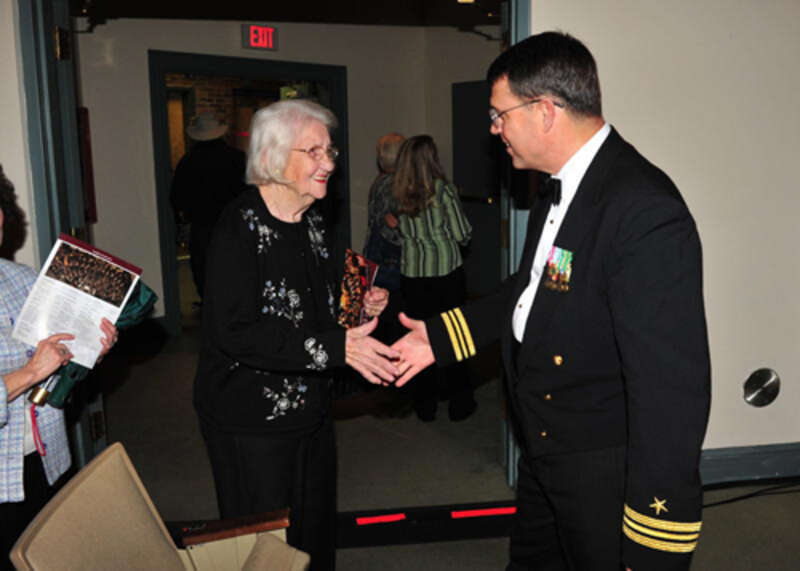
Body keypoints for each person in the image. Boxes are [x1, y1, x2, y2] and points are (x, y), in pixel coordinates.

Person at [391, 32, 711, 570]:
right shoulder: (559, 186)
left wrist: (656, 538)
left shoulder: (644, 211)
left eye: (499, 116)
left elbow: (671, 394)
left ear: (543, 111)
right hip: (545, 446)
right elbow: (529, 293)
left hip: (602, 463)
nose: (494, 132)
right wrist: (442, 336)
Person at [193, 99, 399, 570]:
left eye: (330, 151)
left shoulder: (309, 221)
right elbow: (234, 332)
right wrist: (335, 346)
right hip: (250, 418)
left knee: (313, 531)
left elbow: (317, 305)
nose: (329, 163)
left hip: (310, 405)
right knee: (263, 545)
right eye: (313, 151)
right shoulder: (236, 228)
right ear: (272, 156)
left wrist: (359, 306)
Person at [0, 165, 117, 570]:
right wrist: (31, 371)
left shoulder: (22, 280)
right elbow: (36, 368)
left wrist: (88, 347)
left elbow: (59, 355)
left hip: (47, 458)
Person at [392, 135, 475, 422]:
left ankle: (425, 406)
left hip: (412, 276)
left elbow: (397, 233)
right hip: (445, 276)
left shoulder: (397, 191)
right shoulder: (443, 191)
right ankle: (459, 404)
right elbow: (463, 232)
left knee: (418, 339)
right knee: (454, 338)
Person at [170, 112, 247, 300]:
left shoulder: (188, 161)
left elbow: (176, 197)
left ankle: (210, 307)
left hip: (202, 226)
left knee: (203, 269)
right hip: (235, 225)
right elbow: (250, 192)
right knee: (236, 271)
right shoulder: (237, 158)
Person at [363, 132, 404, 292]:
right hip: (390, 258)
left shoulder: (379, 181)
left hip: (376, 253)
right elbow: (392, 224)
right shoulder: (395, 184)